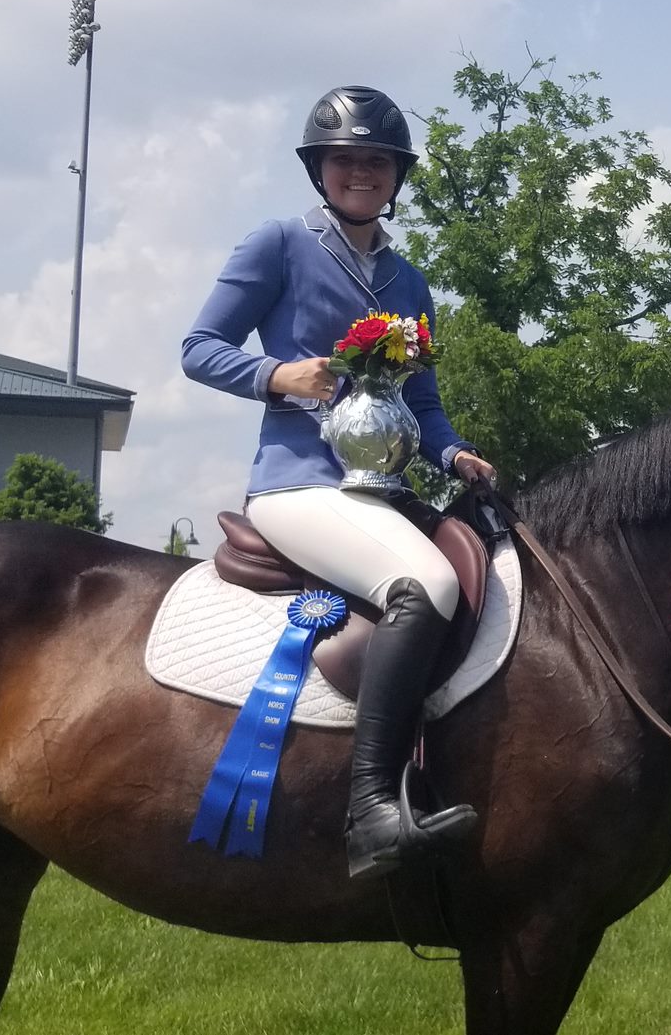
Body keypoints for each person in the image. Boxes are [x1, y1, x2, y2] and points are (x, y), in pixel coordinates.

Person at [181, 85, 497, 879]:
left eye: (377, 162)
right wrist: (278, 373)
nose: (361, 173)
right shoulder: (279, 243)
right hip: (298, 483)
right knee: (422, 582)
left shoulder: (410, 282)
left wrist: (454, 452)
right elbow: (199, 346)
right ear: (320, 170)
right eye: (346, 160)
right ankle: (371, 813)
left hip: (380, 489)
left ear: (396, 176)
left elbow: (420, 402)